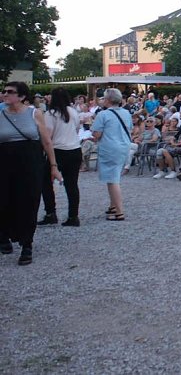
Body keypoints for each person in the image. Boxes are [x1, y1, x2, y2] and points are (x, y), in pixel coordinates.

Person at [0, 82, 62, 265]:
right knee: (4, 201)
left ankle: (27, 244)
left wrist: (53, 165)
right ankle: (4, 235)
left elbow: (46, 142)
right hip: (4, 162)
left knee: (29, 201)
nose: (5, 94)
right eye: (4, 91)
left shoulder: (34, 113)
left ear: (21, 97)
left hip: (30, 163)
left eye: (10, 92)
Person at [39, 88, 83, 227]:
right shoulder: (73, 112)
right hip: (74, 149)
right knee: (72, 184)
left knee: (46, 182)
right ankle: (73, 215)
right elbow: (77, 129)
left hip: (58, 150)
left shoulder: (51, 114)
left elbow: (48, 136)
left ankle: (50, 212)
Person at [91, 88, 133, 222]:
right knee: (115, 176)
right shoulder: (126, 113)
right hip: (124, 146)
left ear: (107, 100)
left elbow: (97, 134)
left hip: (110, 148)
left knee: (112, 180)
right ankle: (113, 206)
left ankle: (119, 211)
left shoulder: (103, 115)